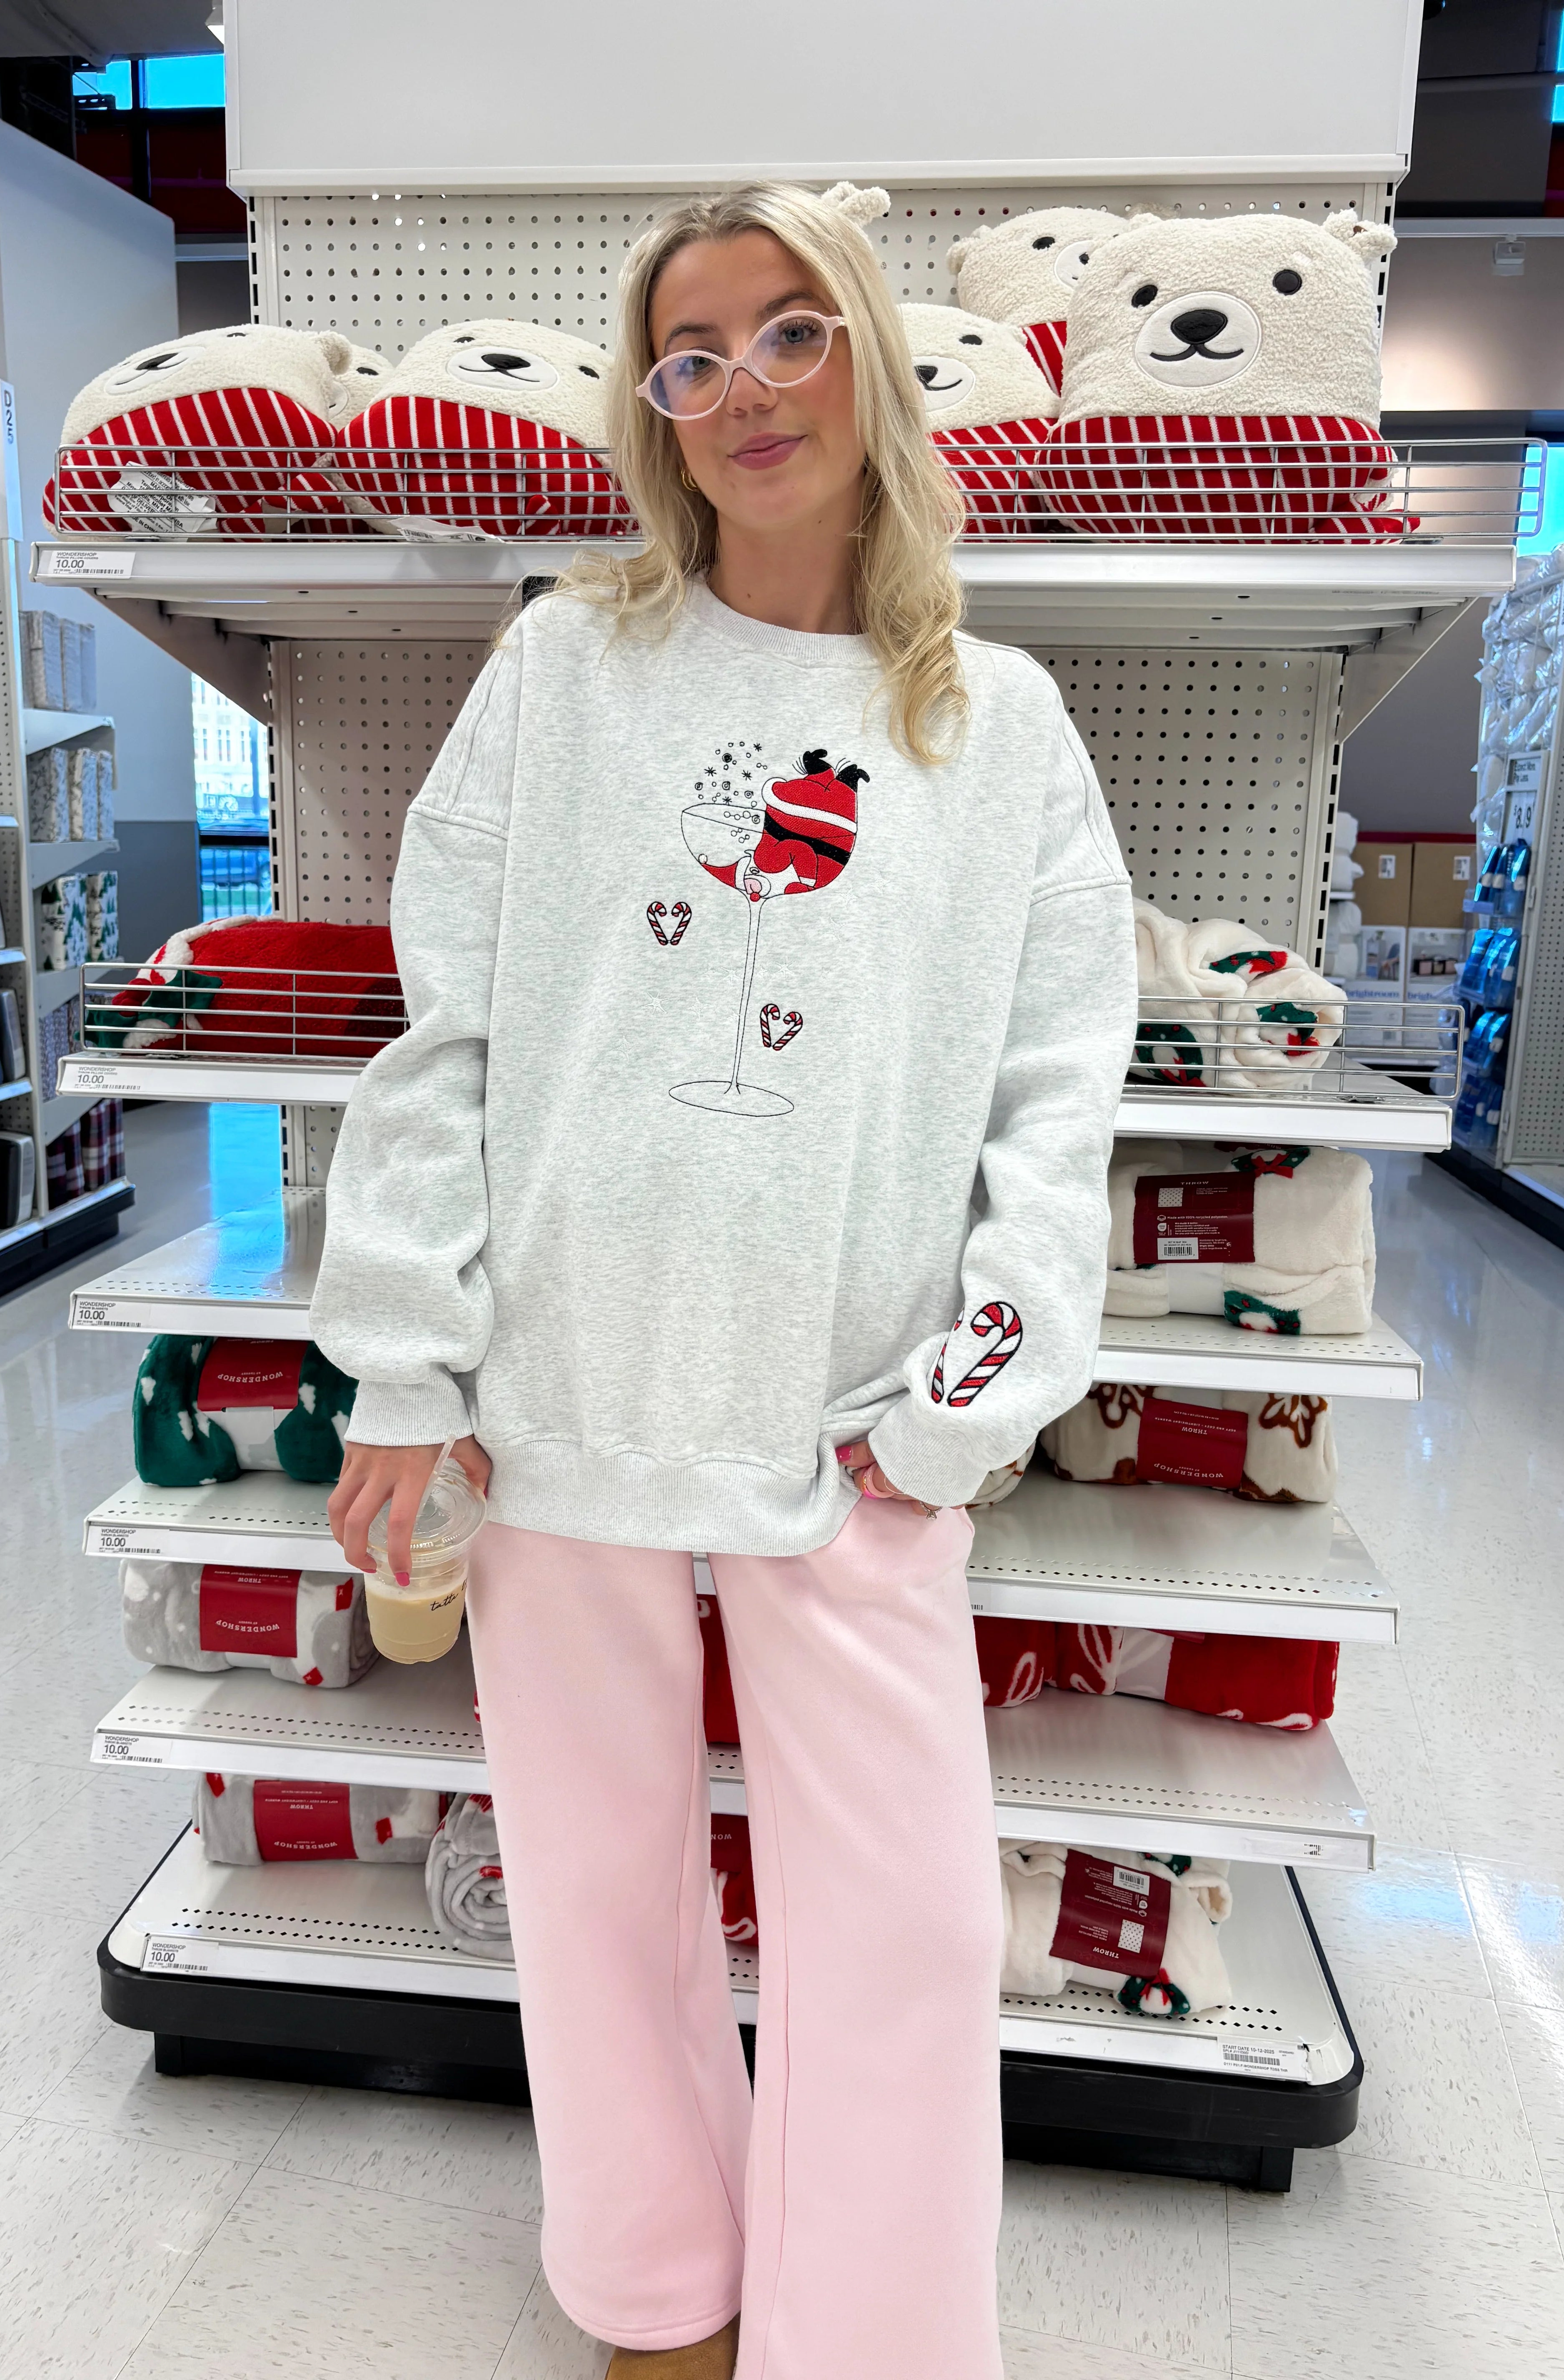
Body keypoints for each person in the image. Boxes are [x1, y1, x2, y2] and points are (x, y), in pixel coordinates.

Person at [313, 181, 1135, 2380]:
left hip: (853, 1411)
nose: (748, 386)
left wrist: (972, 1391)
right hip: (564, 1388)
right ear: (653, 410)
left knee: (908, 1924)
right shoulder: (566, 666)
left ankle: (870, 2337)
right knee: (597, 1890)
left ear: (868, 357)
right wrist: (407, 1364)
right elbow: (448, 1030)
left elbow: (1059, 1102)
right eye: (694, 355)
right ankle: (656, 2293)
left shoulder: (1000, 724)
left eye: (791, 332)